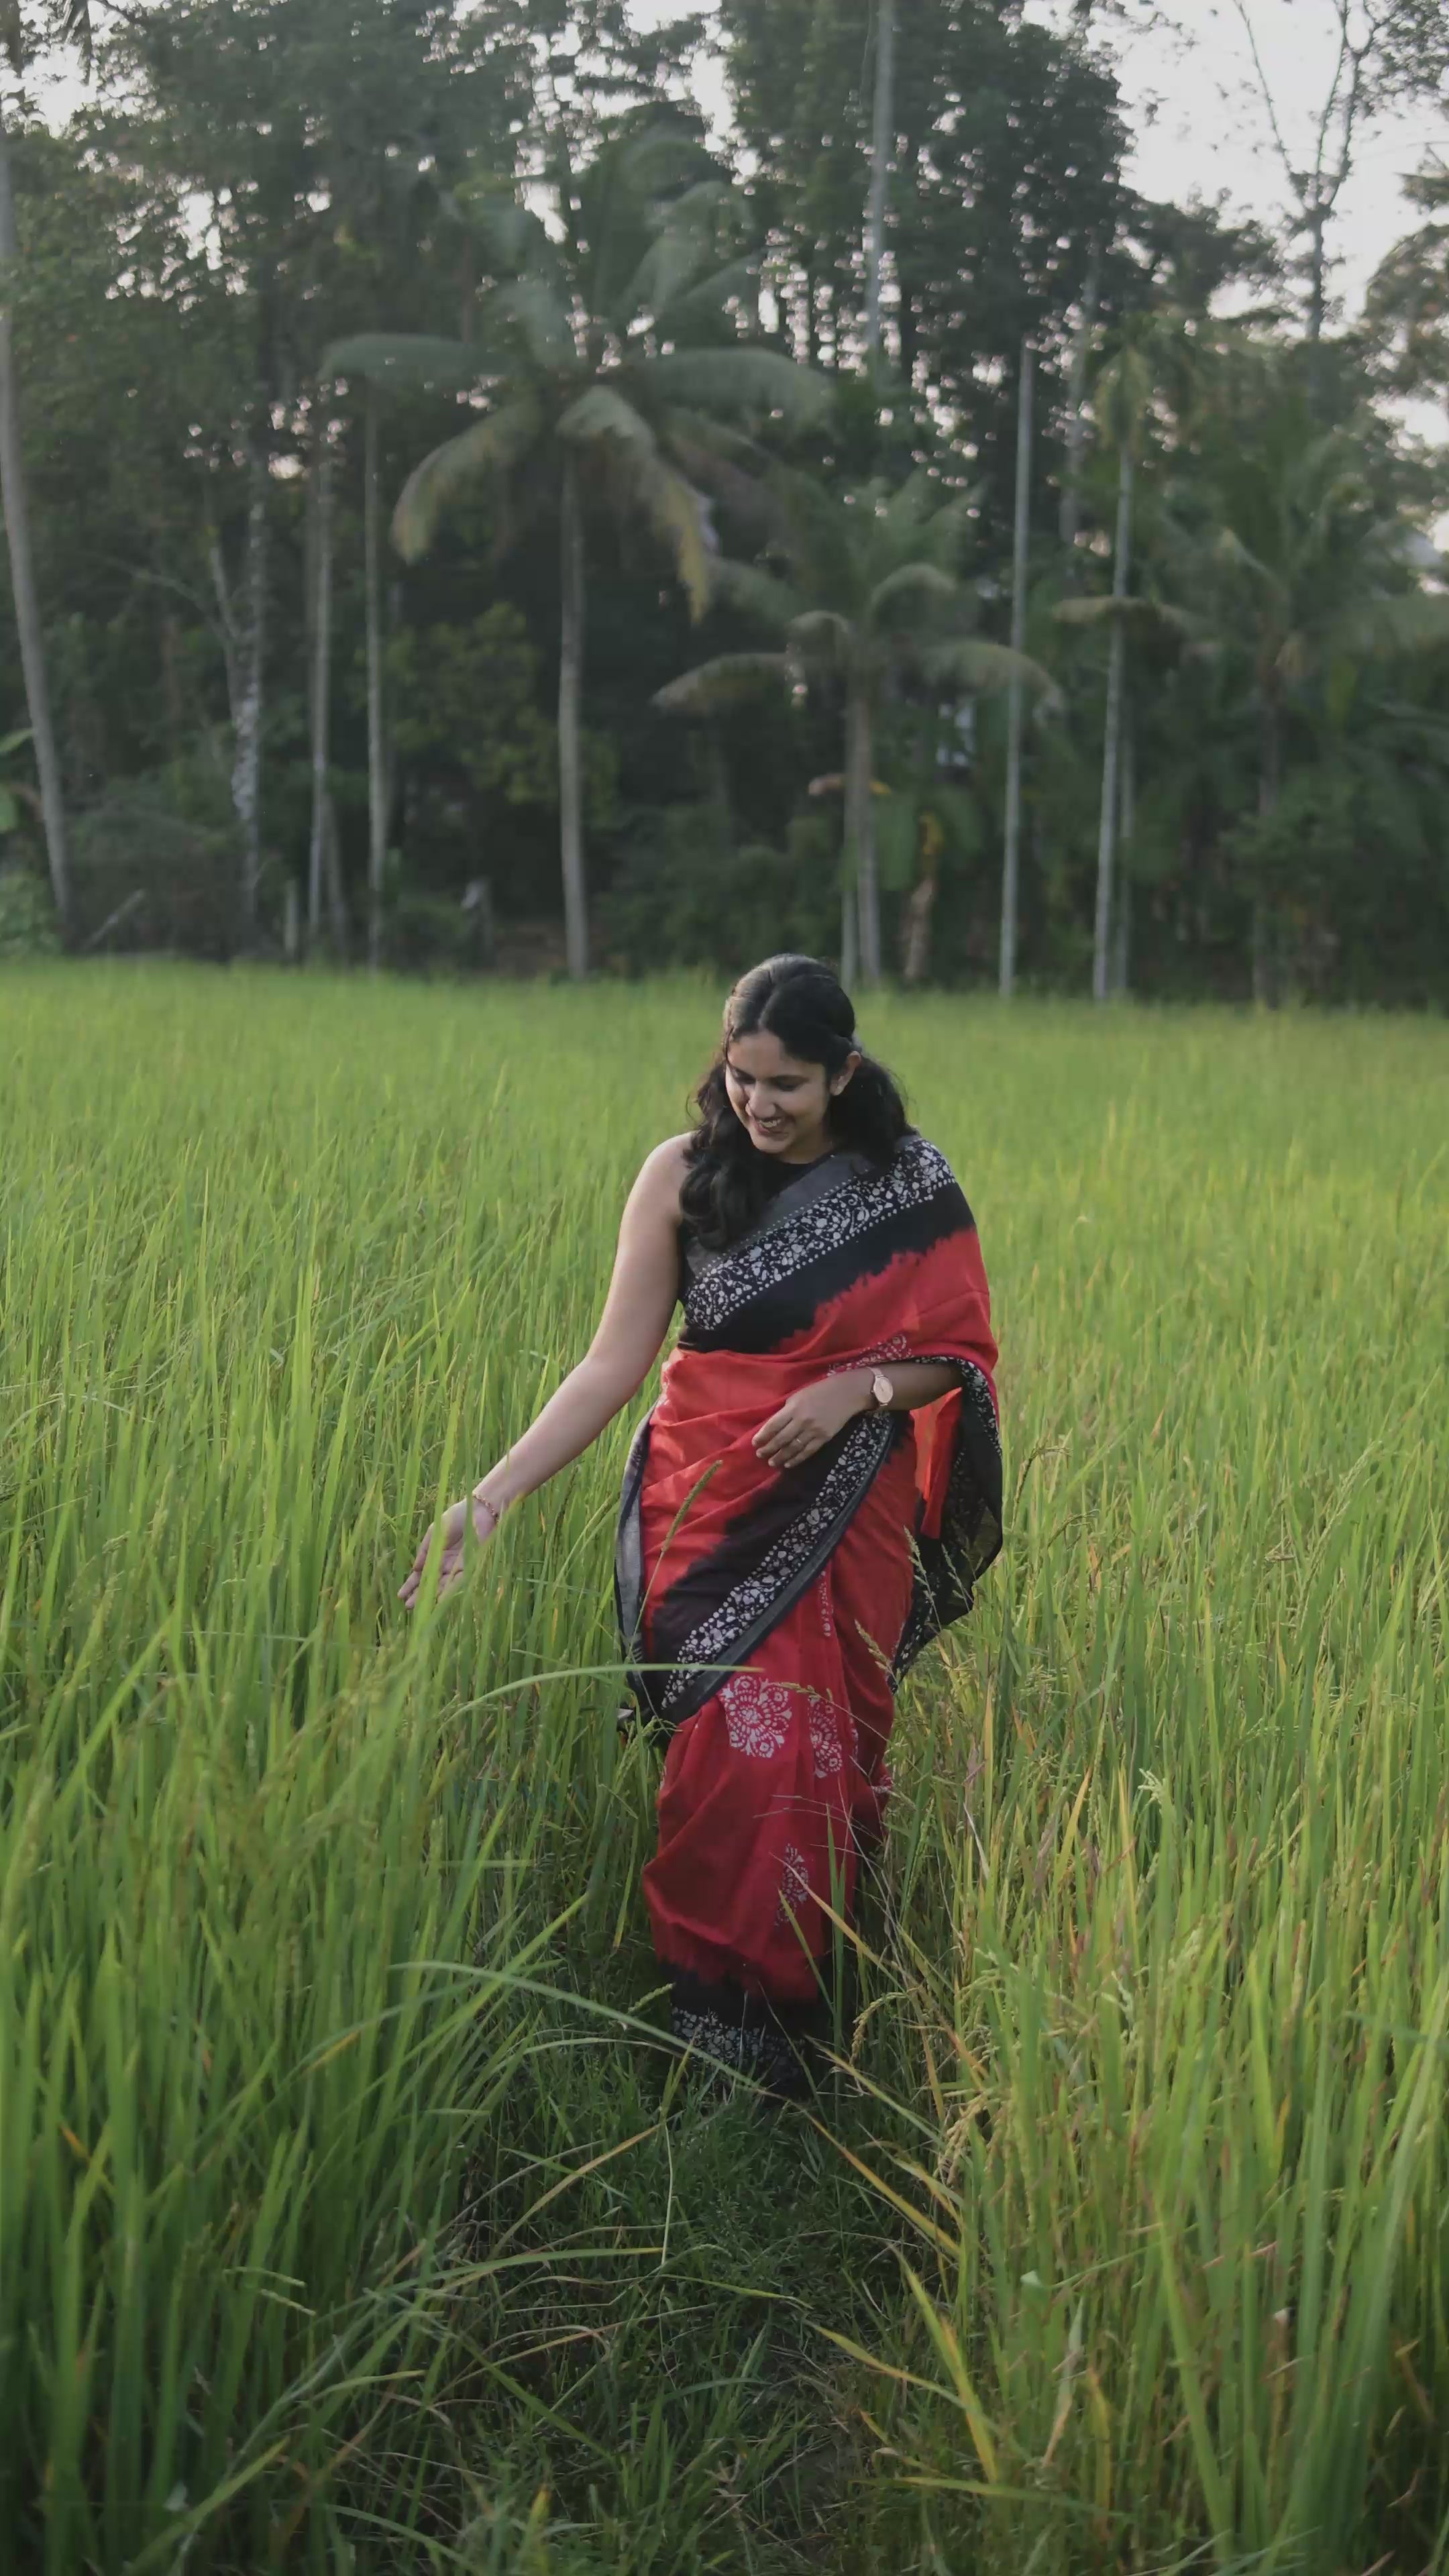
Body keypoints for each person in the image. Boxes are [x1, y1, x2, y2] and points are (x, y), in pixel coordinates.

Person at [401, 955, 1001, 2094]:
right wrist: (491, 1493)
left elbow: (957, 1354)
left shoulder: (908, 1182)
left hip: (842, 1509)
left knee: (819, 1748)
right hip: (704, 1496)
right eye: (741, 1079)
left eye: (787, 1085)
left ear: (843, 1073)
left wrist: (854, 1392)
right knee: (729, 1748)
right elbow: (613, 1363)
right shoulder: (680, 1176)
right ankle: (716, 2027)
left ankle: (793, 2015)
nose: (760, 1107)